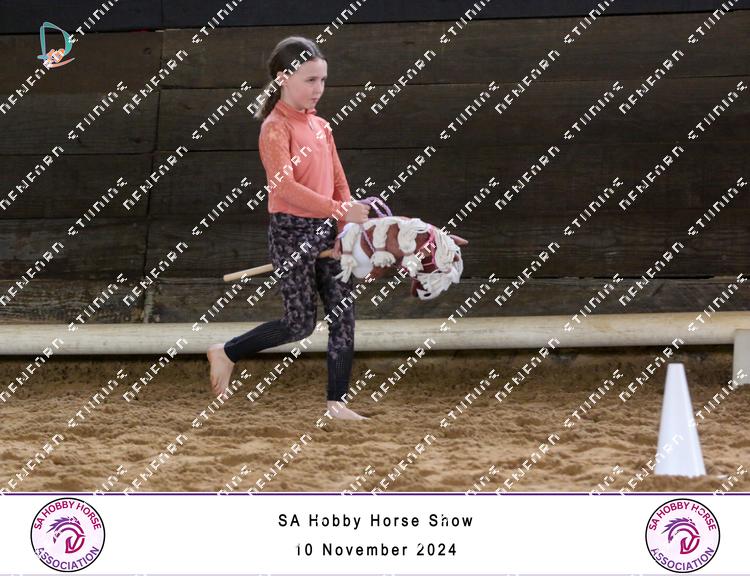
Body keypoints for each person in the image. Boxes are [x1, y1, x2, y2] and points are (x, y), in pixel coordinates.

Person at [207, 36, 370, 420]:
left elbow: (339, 181)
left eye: (323, 80)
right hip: (291, 231)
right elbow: (285, 189)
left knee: (343, 316)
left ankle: (336, 403)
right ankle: (227, 352)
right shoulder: (274, 128)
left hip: (328, 228)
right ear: (283, 78)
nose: (319, 88)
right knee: (299, 324)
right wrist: (339, 209)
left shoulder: (322, 126)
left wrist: (346, 222)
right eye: (310, 80)